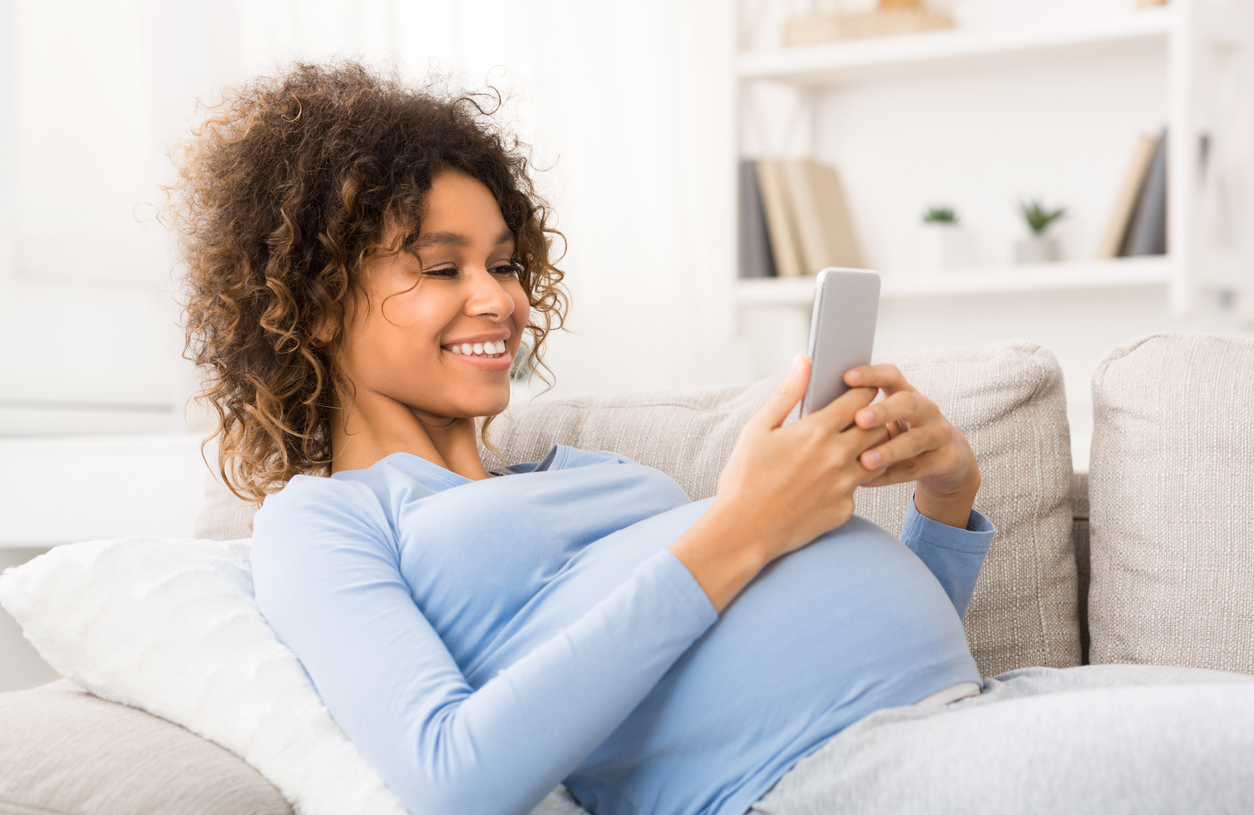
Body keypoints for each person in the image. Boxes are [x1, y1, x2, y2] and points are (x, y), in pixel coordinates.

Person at [172, 62, 1254, 815]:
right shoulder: (327, 517)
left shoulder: (593, 471)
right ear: (315, 300)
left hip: (968, 712)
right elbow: (454, 776)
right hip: (821, 777)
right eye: (441, 264)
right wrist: (740, 527)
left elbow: (868, 644)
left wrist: (945, 498)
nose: (495, 296)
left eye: (504, 262)